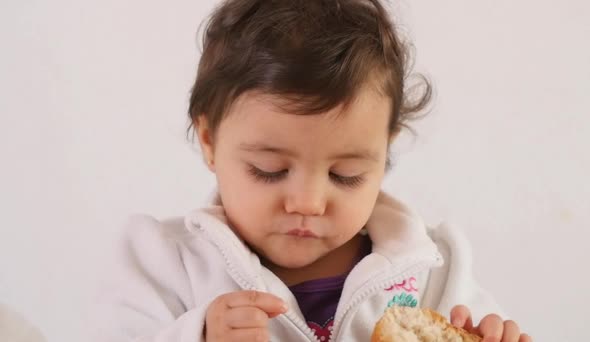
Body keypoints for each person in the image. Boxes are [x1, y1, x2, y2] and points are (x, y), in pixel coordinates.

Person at [94, 0, 532, 341]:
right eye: (269, 170)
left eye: (345, 175)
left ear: (385, 152)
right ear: (209, 141)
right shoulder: (165, 263)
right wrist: (199, 334)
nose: (307, 203)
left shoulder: (432, 265)